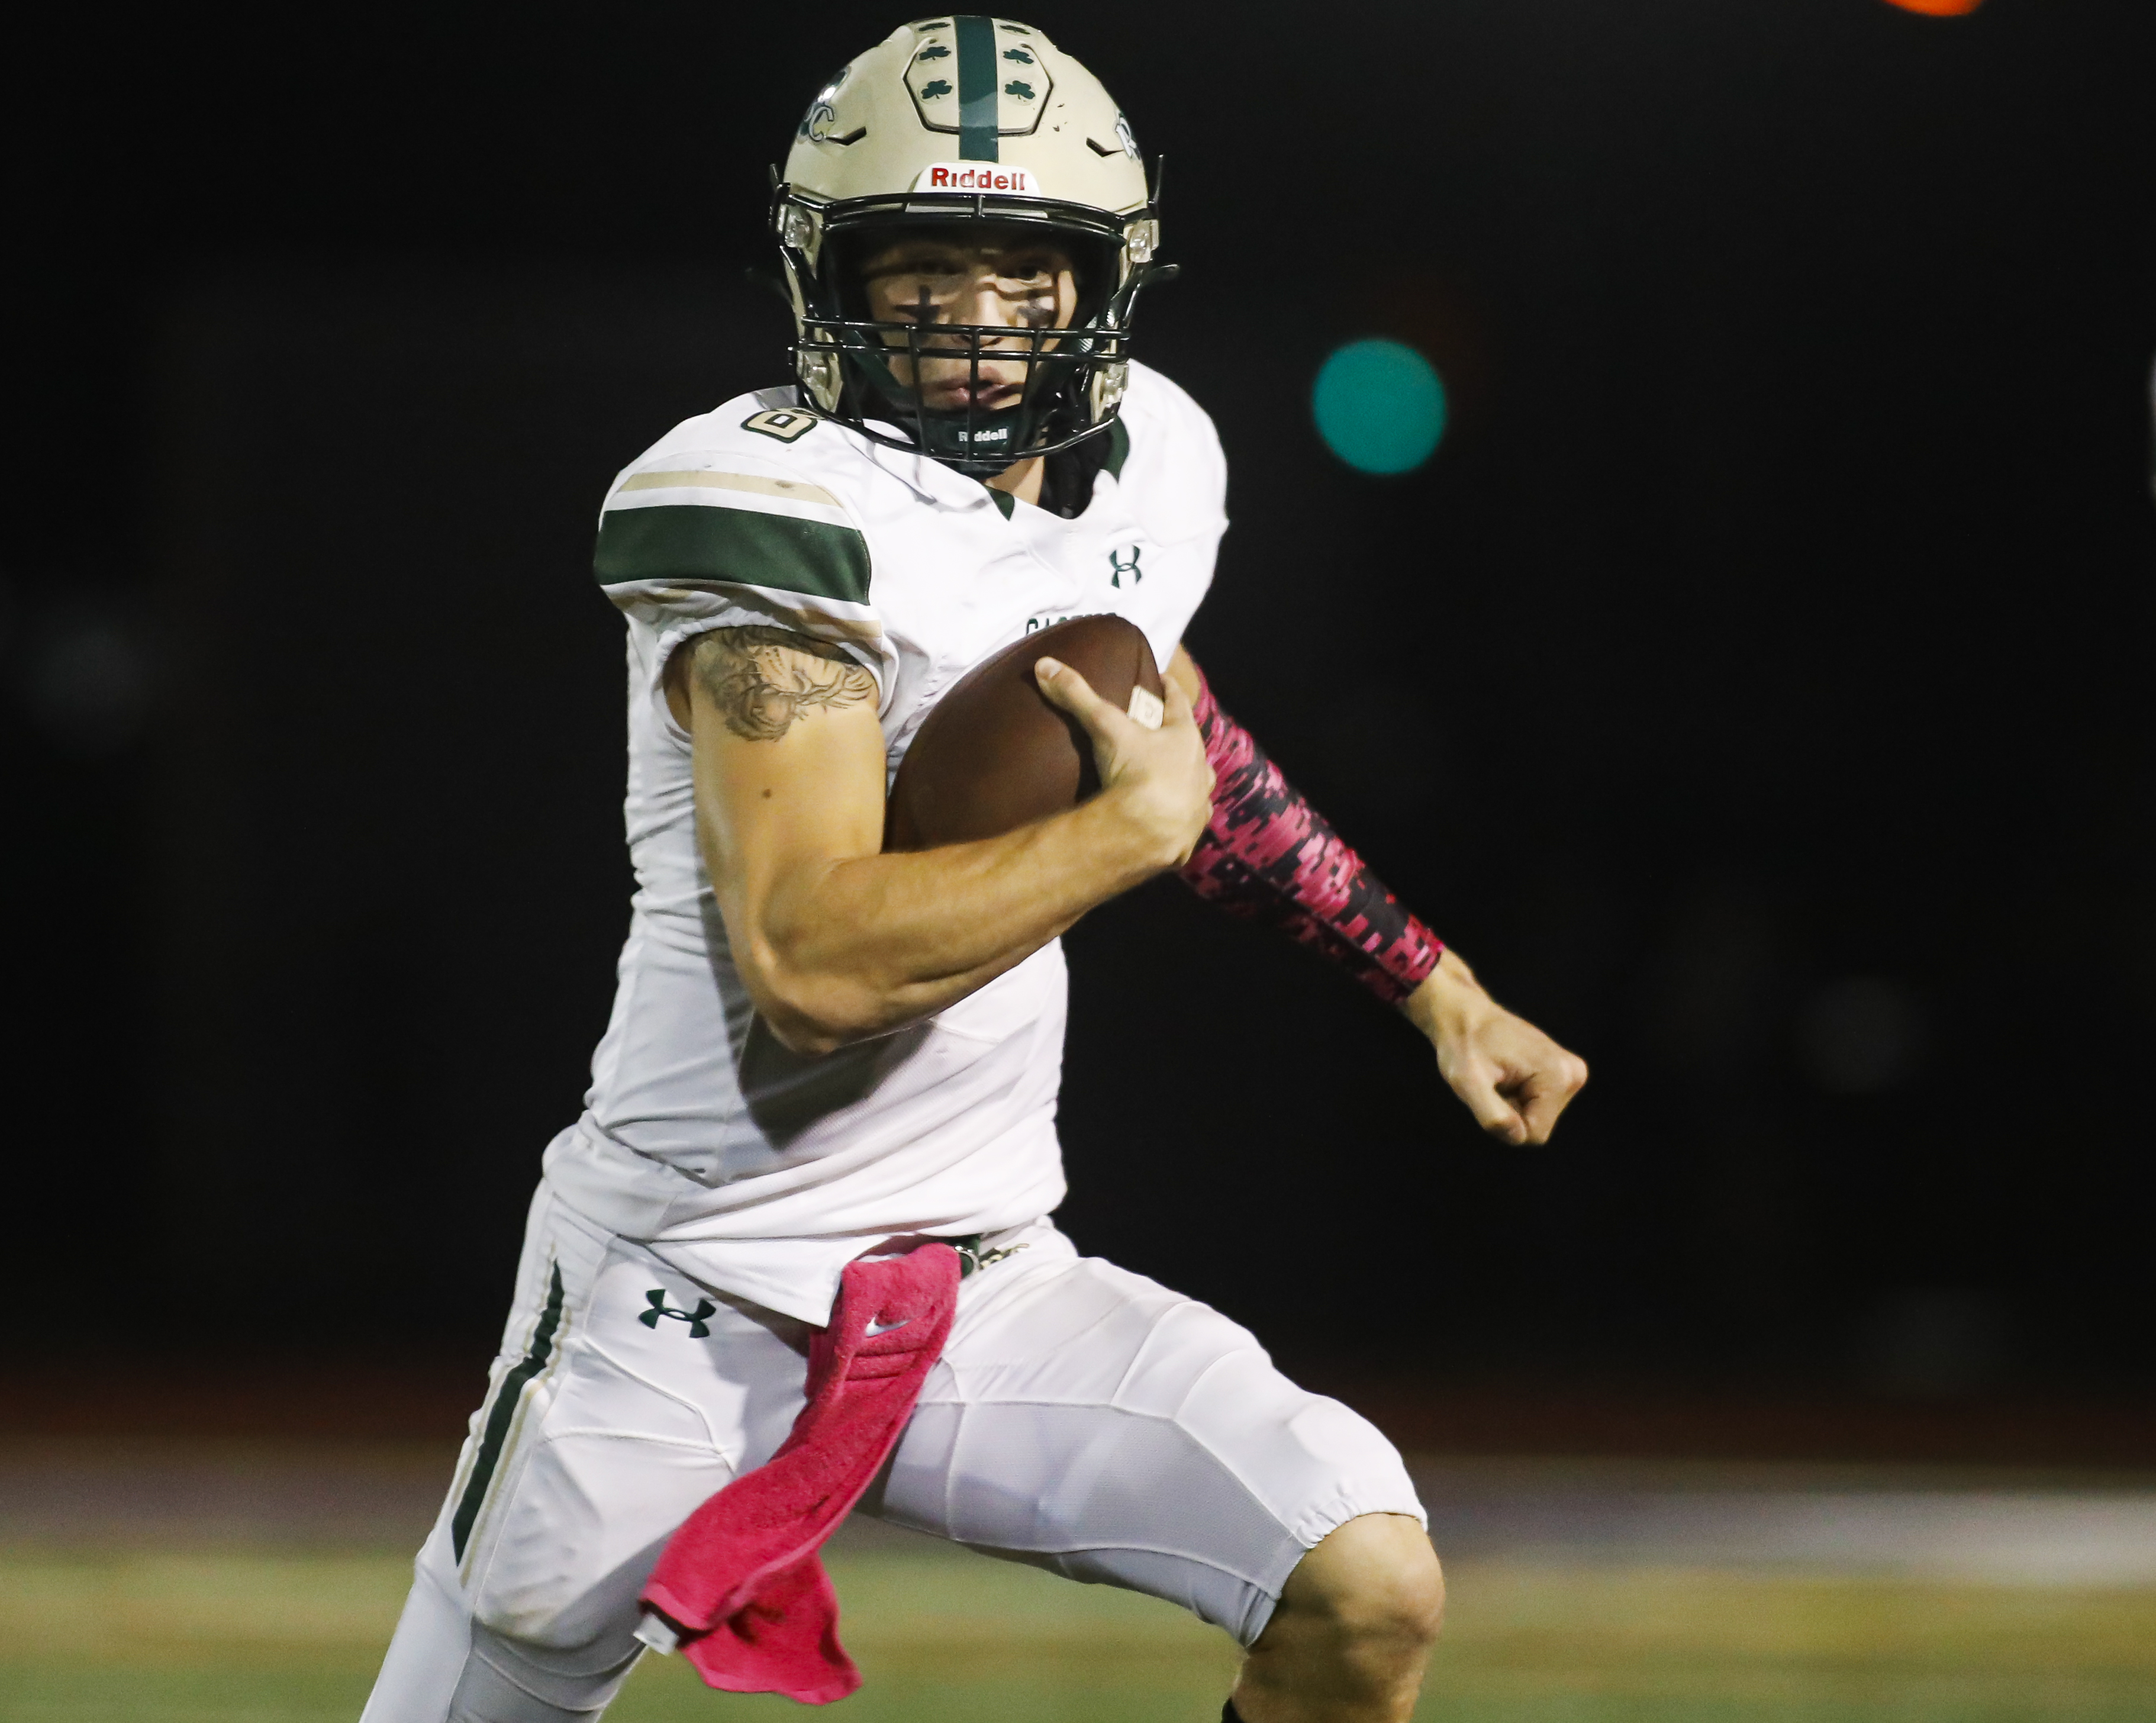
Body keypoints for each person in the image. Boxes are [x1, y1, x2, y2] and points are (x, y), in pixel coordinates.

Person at [362, 18, 1586, 1723]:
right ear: (826, 272)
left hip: (982, 1279)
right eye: (919, 264)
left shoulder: (1152, 466)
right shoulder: (761, 502)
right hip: (693, 1287)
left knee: (1363, 1579)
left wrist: (1435, 987)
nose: (969, 318)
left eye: (1024, 269)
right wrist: (1113, 842)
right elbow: (809, 958)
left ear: (1104, 287)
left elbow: (1184, 749)